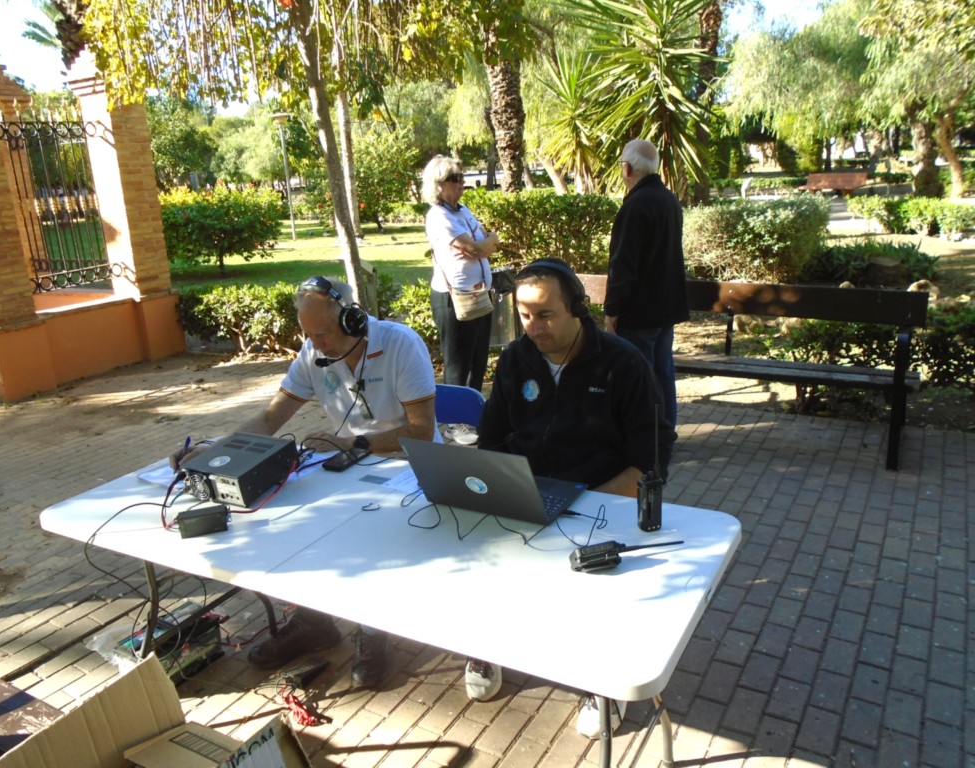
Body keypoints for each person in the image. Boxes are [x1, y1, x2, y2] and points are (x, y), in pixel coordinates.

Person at [173, 276, 438, 688]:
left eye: (323, 333)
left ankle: (372, 632)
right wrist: (214, 450)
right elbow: (268, 419)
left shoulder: (401, 344)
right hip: (351, 464)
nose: (316, 345)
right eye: (307, 334)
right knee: (297, 526)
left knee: (368, 538)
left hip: (410, 467)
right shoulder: (313, 352)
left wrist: (351, 441)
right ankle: (315, 622)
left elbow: (421, 432)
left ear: (352, 321)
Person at [475, 257, 676, 737]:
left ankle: (598, 680)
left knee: (591, 588)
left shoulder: (623, 363)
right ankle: (484, 645)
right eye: (524, 315)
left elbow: (650, 459)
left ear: (579, 310)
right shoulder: (515, 358)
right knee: (479, 558)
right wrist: (493, 484)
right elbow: (490, 440)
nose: (533, 328)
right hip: (526, 492)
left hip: (598, 499)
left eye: (545, 315)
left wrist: (583, 502)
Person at [604, 139, 689, 427]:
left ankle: (647, 439)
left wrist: (612, 310)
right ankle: (664, 434)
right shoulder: (669, 200)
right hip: (667, 306)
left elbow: (623, 265)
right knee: (664, 372)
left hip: (639, 311)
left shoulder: (635, 205)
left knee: (641, 376)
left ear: (627, 168)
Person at [422, 155, 500, 445]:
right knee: (457, 364)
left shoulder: (462, 210)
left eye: (461, 176)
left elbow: (487, 244)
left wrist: (483, 245)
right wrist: (483, 245)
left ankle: (473, 417)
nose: (461, 183)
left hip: (480, 295)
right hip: (453, 298)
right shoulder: (438, 216)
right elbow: (480, 247)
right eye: (454, 179)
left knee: (479, 359)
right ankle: (454, 424)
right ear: (438, 185)